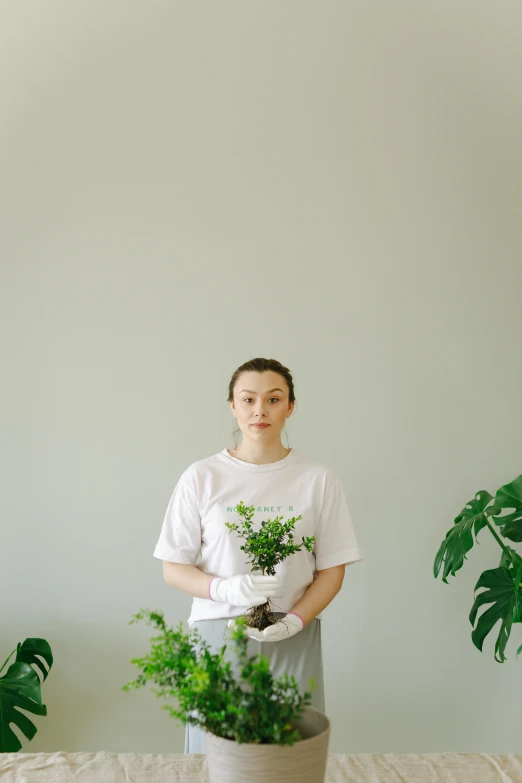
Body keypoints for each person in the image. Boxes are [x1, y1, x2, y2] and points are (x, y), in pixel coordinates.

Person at [153, 357, 363, 753]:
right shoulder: (202, 476)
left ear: (290, 407)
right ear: (233, 405)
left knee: (290, 752)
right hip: (218, 631)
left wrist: (296, 620)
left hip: (291, 633)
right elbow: (174, 568)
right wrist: (225, 588)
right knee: (214, 756)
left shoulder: (317, 479)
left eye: (273, 399)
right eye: (248, 399)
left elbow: (332, 571)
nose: (259, 410)